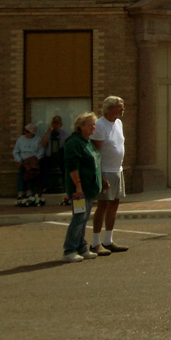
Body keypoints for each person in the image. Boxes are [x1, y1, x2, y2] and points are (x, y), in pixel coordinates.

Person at [61, 112, 103, 262]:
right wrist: (78, 187)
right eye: (90, 125)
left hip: (90, 189)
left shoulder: (87, 142)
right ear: (81, 126)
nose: (93, 127)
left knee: (84, 218)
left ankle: (82, 247)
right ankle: (69, 250)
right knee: (79, 218)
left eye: (94, 125)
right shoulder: (73, 142)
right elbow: (72, 166)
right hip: (80, 191)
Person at [91, 96, 129, 254]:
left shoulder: (118, 123)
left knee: (114, 204)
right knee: (103, 205)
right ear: (109, 108)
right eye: (119, 107)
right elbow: (95, 152)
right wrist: (101, 175)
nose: (122, 110)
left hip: (117, 170)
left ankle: (108, 240)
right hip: (105, 171)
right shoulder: (100, 125)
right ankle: (95, 242)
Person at [12, 122, 46, 207]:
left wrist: (35, 160)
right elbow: (15, 151)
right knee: (21, 173)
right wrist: (19, 160)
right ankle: (20, 191)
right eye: (25, 131)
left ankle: (29, 190)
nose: (26, 133)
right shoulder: (20, 139)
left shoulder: (37, 139)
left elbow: (41, 151)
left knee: (30, 174)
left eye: (28, 132)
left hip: (32, 160)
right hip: (23, 160)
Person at [42, 115, 69, 202]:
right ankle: (45, 186)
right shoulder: (48, 133)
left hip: (59, 158)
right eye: (54, 123)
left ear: (61, 124)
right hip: (49, 157)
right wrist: (48, 132)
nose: (55, 125)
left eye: (57, 123)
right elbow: (43, 144)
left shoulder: (64, 135)